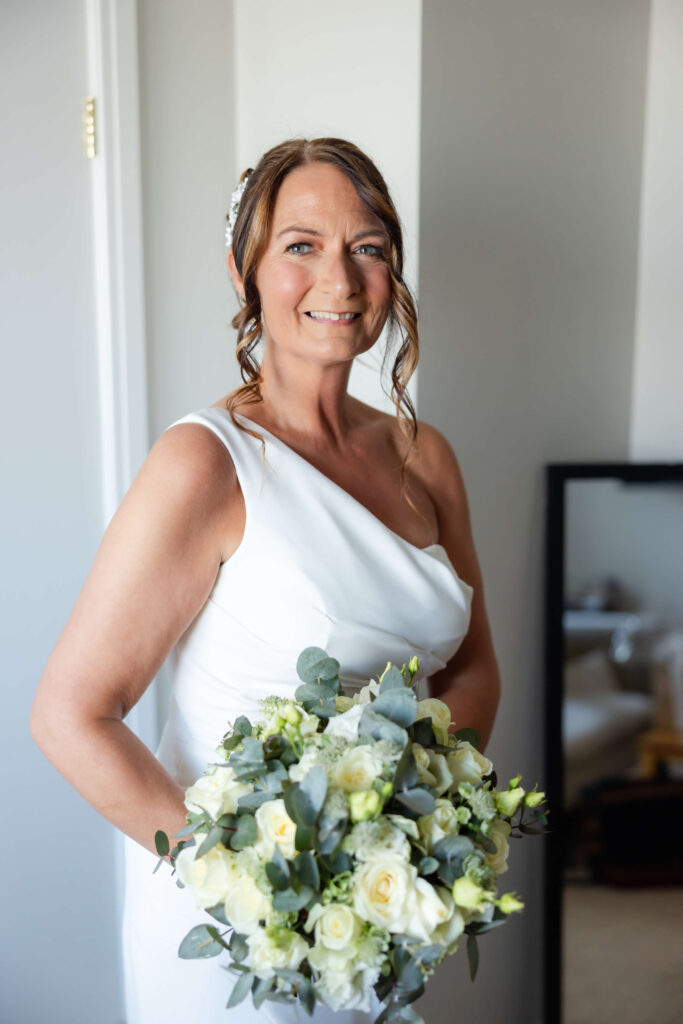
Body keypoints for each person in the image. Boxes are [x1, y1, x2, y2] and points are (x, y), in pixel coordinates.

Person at [30, 137, 501, 1023]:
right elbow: (69, 714)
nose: (341, 279)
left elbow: (472, 671)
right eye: (300, 245)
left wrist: (420, 824)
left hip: (379, 910)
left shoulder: (422, 454)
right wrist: (246, 884)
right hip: (239, 936)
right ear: (244, 269)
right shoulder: (203, 463)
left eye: (367, 247)